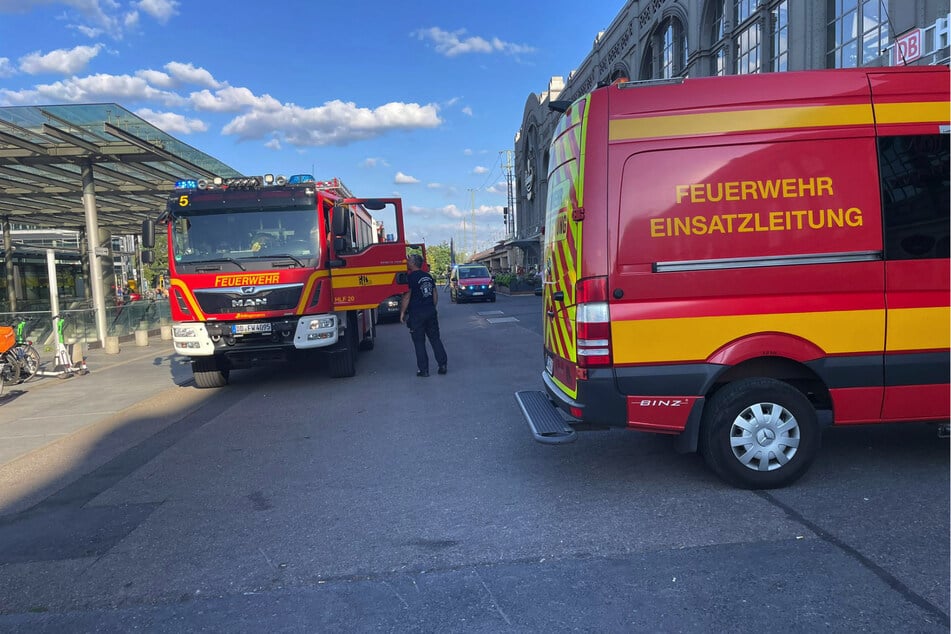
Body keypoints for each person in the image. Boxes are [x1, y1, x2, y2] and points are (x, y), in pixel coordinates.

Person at [400, 253, 448, 377]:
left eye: (409, 260)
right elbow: (434, 293)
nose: (407, 261)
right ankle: (442, 365)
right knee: (435, 339)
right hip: (430, 311)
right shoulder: (428, 276)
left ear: (413, 263)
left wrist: (402, 312)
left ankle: (424, 370)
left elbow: (407, 297)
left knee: (419, 342)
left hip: (416, 314)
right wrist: (432, 307)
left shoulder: (410, 278)